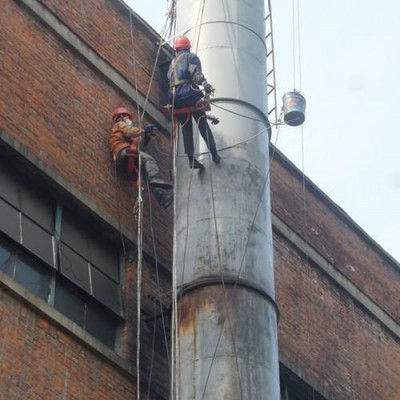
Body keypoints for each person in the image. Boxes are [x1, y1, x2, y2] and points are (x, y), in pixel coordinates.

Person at [167, 35, 220, 170]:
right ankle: (214, 153)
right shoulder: (191, 57)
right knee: (201, 120)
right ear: (188, 48)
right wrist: (204, 83)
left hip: (174, 98)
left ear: (177, 49)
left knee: (186, 126)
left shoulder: (172, 63)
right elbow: (195, 72)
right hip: (188, 94)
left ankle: (191, 158)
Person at [109, 107, 173, 208]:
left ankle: (162, 198)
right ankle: (155, 179)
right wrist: (143, 130)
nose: (129, 119)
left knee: (147, 173)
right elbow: (130, 132)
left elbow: (139, 146)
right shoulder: (120, 125)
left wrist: (146, 136)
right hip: (124, 152)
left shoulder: (124, 135)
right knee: (149, 160)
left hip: (125, 155)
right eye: (127, 117)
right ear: (121, 117)